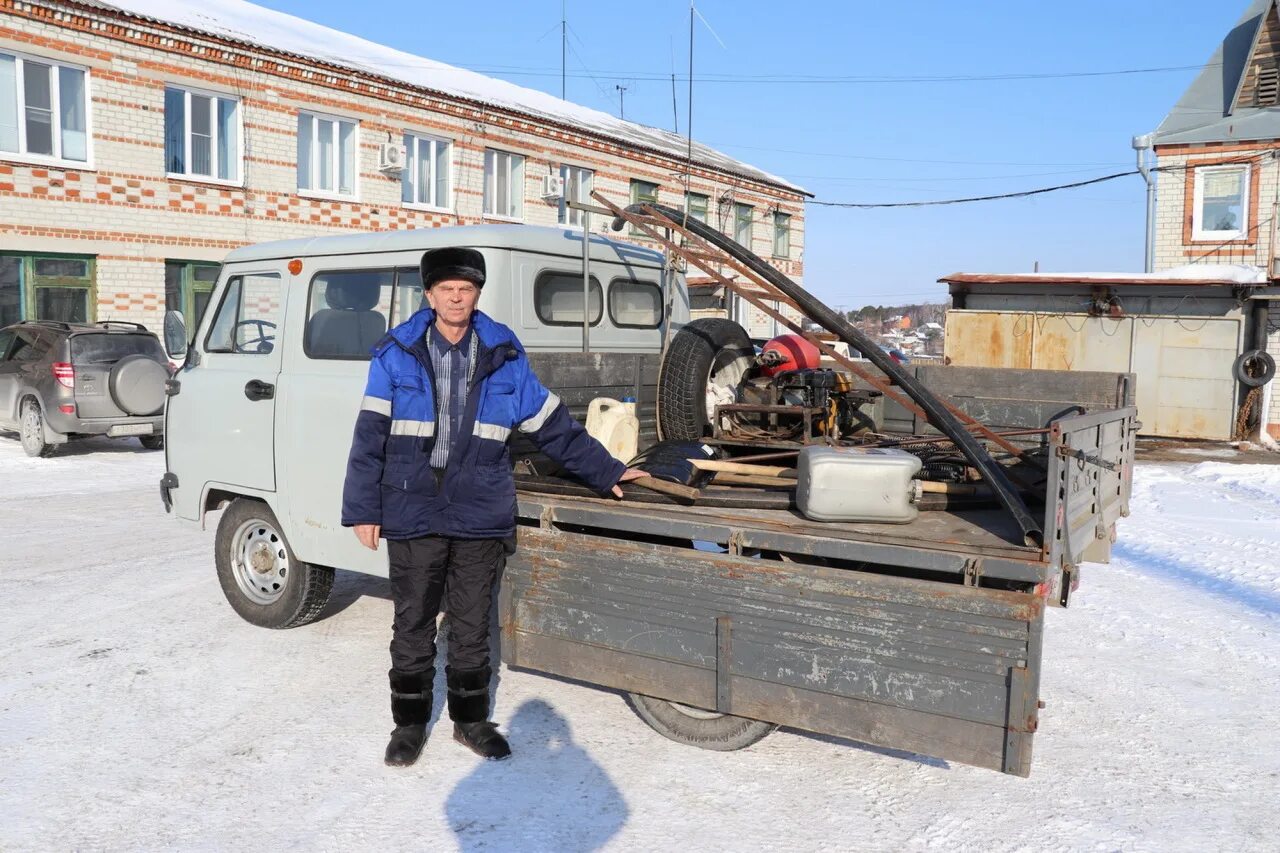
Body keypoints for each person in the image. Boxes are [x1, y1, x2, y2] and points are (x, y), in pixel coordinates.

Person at [341, 246, 644, 767]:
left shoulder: (504, 353)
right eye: (446, 289)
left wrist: (607, 471)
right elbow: (369, 438)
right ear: (430, 295)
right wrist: (363, 509)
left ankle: (470, 720)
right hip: (413, 509)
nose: (456, 297)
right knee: (412, 624)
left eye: (466, 289)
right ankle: (409, 725)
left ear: (477, 294)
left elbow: (553, 426)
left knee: (471, 623)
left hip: (479, 511)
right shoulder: (395, 352)